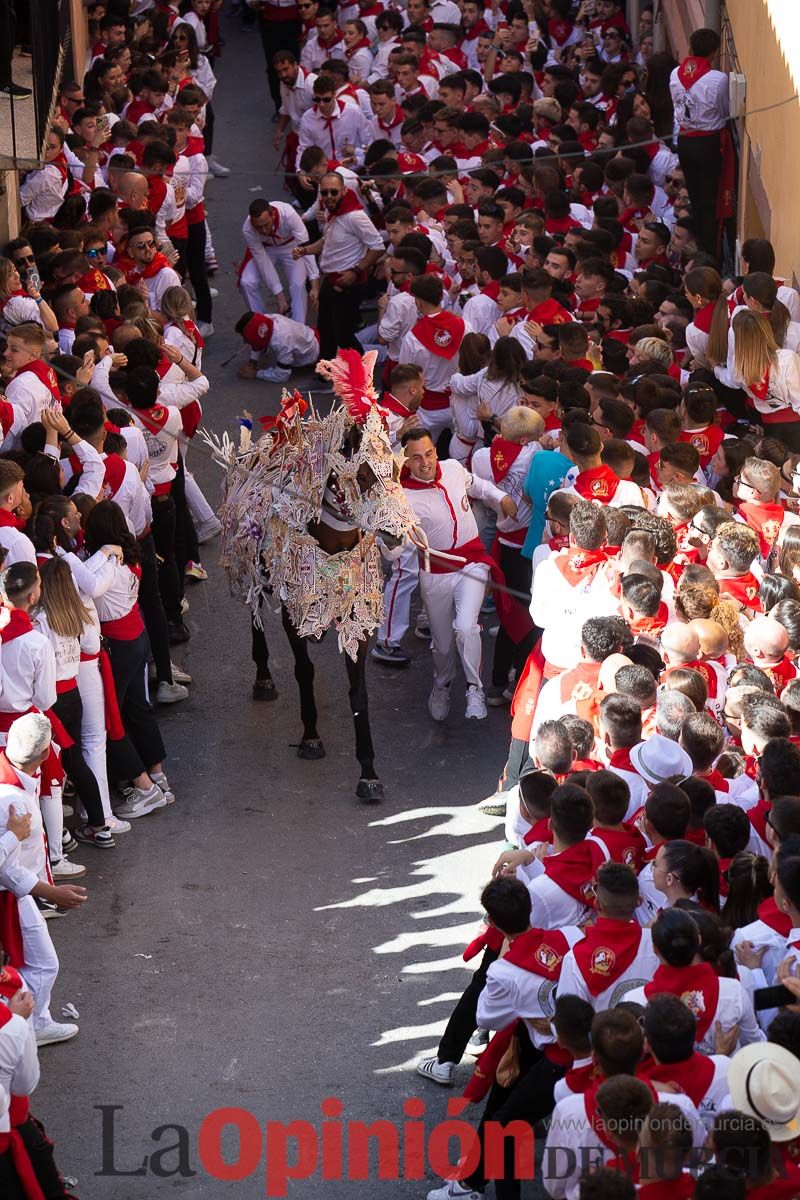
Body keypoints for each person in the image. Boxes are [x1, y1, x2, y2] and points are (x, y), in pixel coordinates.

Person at [400, 427, 517, 722]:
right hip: (435, 574)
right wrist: (390, 540)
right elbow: (395, 546)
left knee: (466, 627)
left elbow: (478, 485)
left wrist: (501, 497)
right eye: (416, 458)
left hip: (472, 563)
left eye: (428, 454)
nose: (425, 462)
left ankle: (474, 689)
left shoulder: (452, 468)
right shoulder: (401, 498)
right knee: (442, 644)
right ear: (405, 461)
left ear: (436, 452)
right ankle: (442, 685)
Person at [294, 171, 383, 358]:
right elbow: (327, 241)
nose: (329, 197)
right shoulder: (331, 212)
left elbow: (377, 246)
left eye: (333, 192)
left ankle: (362, 376)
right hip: (330, 281)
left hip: (348, 284)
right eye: (324, 193)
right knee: (326, 330)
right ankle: (324, 375)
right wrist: (305, 250)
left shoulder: (355, 217)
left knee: (343, 336)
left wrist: (355, 271)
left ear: (344, 191)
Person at [669, 28, 730, 255]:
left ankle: (702, 246)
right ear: (714, 52)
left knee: (695, 195)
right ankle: (709, 250)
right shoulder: (718, 79)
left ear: (691, 49)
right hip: (708, 143)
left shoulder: (676, 73)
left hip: (685, 141)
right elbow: (725, 111)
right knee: (710, 199)